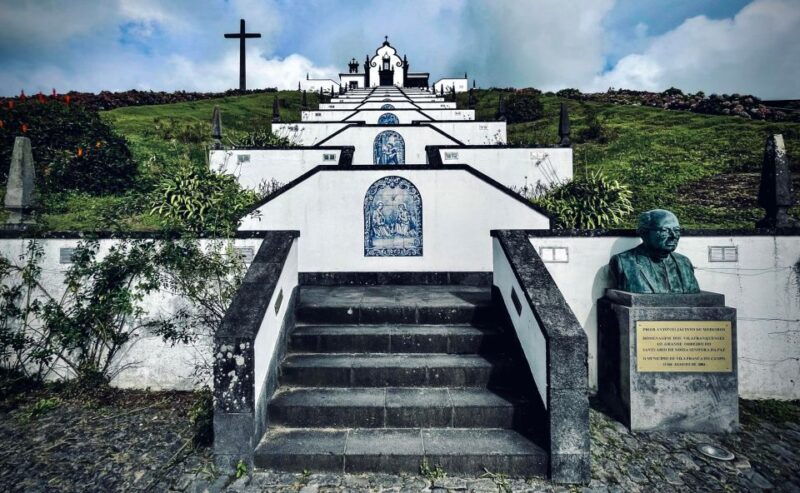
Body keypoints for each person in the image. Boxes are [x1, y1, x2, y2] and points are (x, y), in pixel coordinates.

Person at [609, 209, 700, 294]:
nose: (673, 236)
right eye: (665, 230)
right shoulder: (624, 262)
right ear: (644, 233)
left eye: (676, 230)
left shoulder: (684, 262)